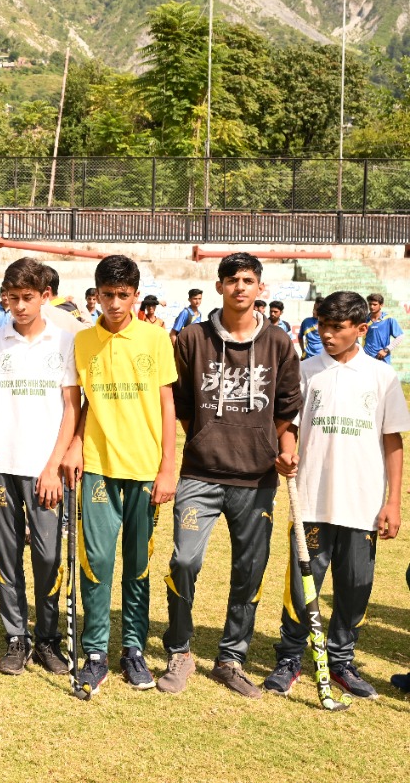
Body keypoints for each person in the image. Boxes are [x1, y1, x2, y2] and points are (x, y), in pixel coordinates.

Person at [157, 253, 301, 697]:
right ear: (219, 286)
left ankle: (231, 658)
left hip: (257, 481)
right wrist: (206, 437)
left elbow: (287, 409)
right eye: (232, 280)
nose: (241, 287)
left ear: (261, 288)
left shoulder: (279, 342)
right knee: (184, 561)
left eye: (249, 280)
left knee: (249, 569)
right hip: (200, 475)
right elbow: (179, 405)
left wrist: (284, 448)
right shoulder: (192, 339)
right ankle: (179, 650)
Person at [265, 290, 410, 699]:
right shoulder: (306, 371)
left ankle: (342, 659)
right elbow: (289, 425)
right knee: (302, 582)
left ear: (361, 329)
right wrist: (288, 451)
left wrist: (393, 501)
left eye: (336, 327)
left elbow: (392, 441)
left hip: (362, 502)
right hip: (311, 499)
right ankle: (290, 656)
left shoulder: (381, 378)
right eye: (322, 326)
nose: (326, 334)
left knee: (355, 583)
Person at [0, 258, 80, 675]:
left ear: (46, 297)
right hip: (0, 465)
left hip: (44, 469)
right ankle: (16, 638)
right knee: (7, 556)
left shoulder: (65, 342)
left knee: (48, 556)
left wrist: (53, 467)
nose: (20, 306)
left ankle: (47, 639)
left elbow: (71, 408)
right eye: (12, 298)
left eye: (28, 298)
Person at [67, 254, 177, 696]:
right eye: (107, 295)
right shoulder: (81, 341)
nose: (114, 304)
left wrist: (168, 467)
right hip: (97, 466)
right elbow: (81, 403)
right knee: (96, 563)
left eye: (123, 295)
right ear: (95, 295)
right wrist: (75, 444)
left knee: (137, 565)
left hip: (145, 469)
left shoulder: (155, 339)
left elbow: (168, 405)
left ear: (135, 295)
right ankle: (94, 653)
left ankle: (132, 648)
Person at [363, 292, 402, 364]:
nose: (372, 307)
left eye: (375, 304)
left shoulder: (388, 319)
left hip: (382, 358)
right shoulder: (364, 320)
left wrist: (386, 350)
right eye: (370, 304)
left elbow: (400, 336)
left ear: (381, 305)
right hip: (367, 358)